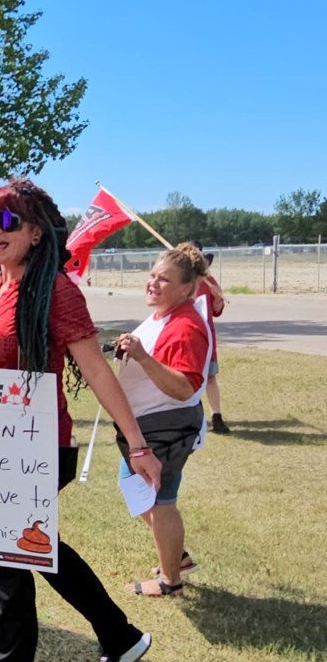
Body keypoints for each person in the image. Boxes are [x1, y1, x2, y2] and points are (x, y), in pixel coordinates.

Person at [0, 178, 162, 662]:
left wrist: (138, 445)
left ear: (35, 232)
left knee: (9, 557)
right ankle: (120, 637)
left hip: (38, 442)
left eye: (7, 221)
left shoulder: (55, 290)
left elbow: (97, 372)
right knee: (33, 549)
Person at [113, 242, 212, 597]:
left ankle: (170, 580)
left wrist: (141, 357)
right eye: (152, 275)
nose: (153, 283)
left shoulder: (185, 327)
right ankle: (176, 558)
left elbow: (185, 387)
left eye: (164, 279)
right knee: (138, 491)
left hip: (166, 426)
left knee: (159, 501)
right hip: (153, 424)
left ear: (186, 287)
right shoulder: (166, 316)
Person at [192, 242, 230, 434]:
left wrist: (217, 299)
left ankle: (216, 416)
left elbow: (216, 311)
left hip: (205, 337)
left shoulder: (209, 281)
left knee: (210, 377)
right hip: (184, 337)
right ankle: (191, 417)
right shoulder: (179, 280)